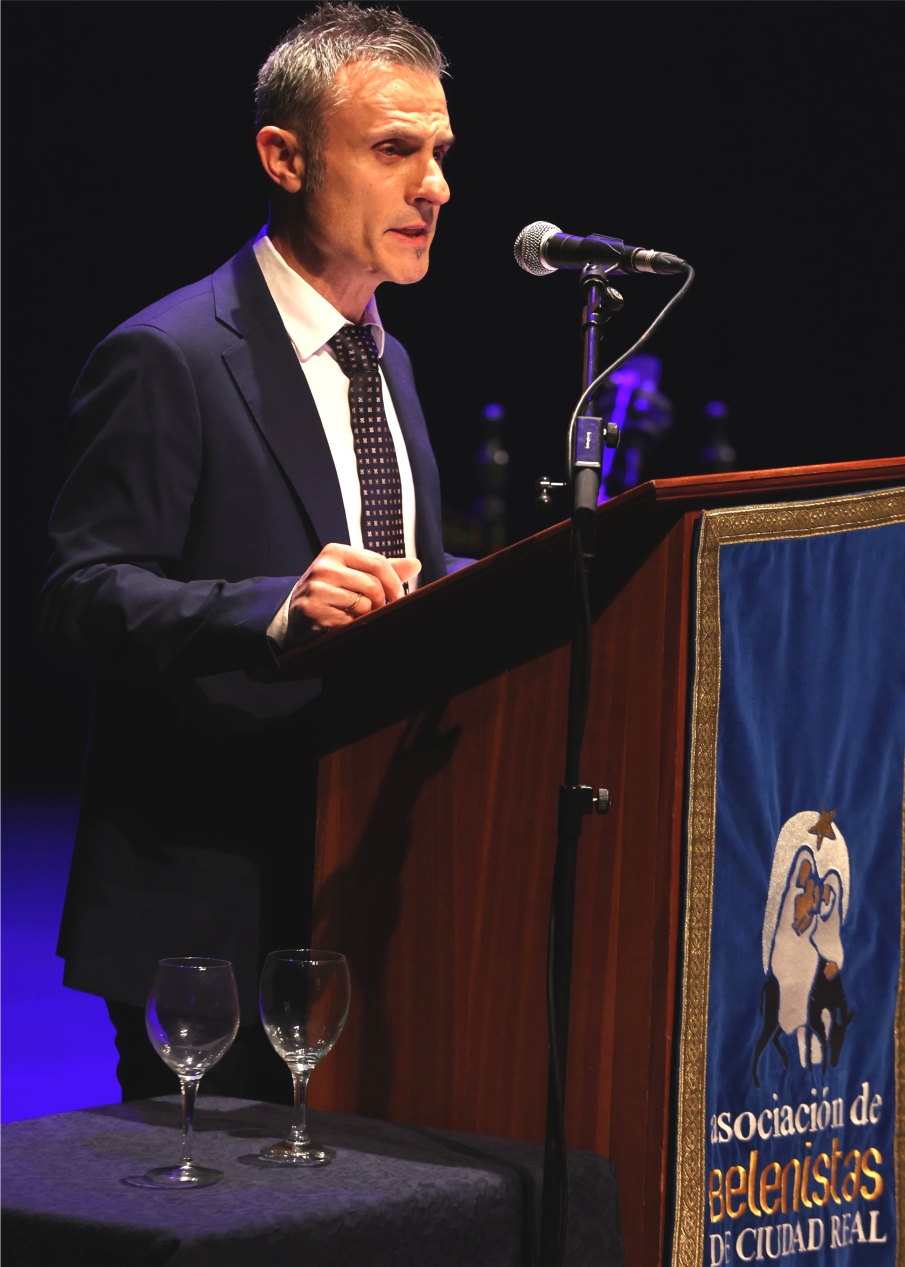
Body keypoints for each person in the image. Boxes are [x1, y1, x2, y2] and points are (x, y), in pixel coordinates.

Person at [38, 3, 460, 1103]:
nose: (432, 187)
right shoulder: (167, 353)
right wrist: (275, 611)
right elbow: (79, 594)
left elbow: (405, 578)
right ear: (284, 157)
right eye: (393, 150)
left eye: (439, 153)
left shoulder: (388, 362)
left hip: (356, 887)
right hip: (209, 904)